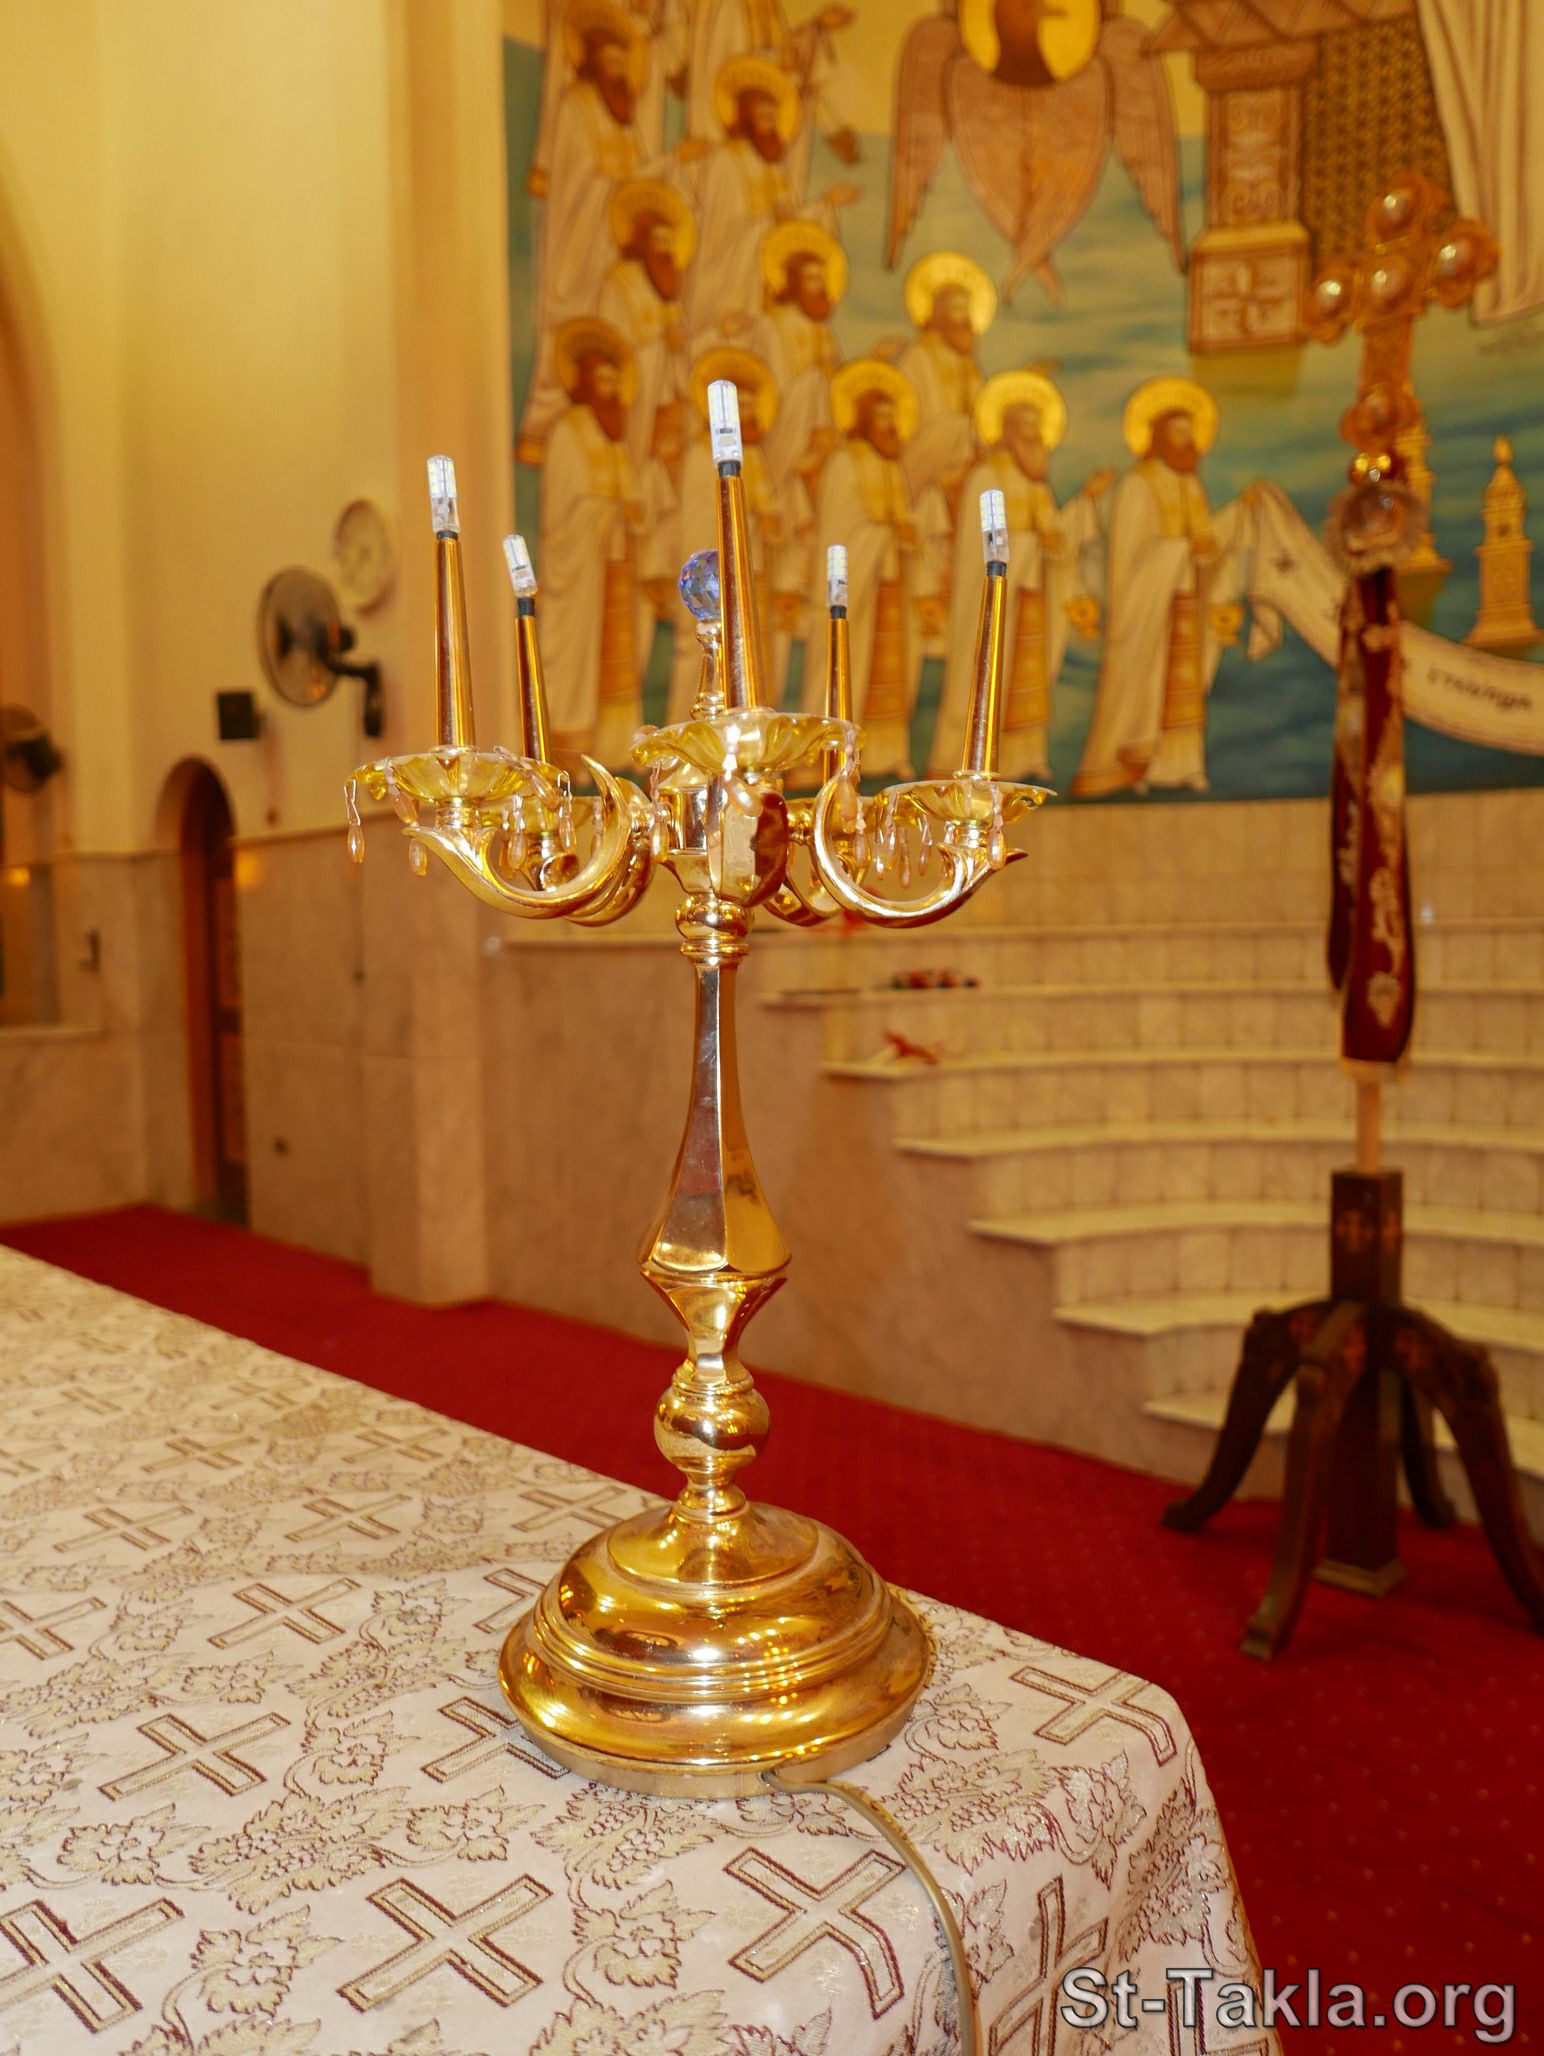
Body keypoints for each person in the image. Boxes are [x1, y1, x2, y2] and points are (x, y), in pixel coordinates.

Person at [518, 0, 702, 464]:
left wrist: (673, 162)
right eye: (612, 60)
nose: (620, 70)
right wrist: (649, 172)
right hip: (580, 242)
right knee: (575, 325)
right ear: (593, 61)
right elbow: (582, 184)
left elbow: (635, 180)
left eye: (625, 61)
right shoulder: (576, 108)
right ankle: (548, 427)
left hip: (609, 245)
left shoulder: (623, 121)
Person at [929, 371, 1111, 781]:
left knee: (1027, 677)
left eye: (1037, 428)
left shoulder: (1035, 484)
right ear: (1007, 432)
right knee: (989, 673)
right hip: (997, 599)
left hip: (1029, 597)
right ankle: (972, 761)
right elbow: (981, 548)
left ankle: (1025, 756)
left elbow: (1056, 538)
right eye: (1026, 427)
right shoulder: (986, 476)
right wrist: (1032, 542)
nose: (1035, 437)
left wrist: (1085, 501)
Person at [1072, 377, 1249, 796]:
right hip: (1151, 609)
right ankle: (1143, 766)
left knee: (1183, 689)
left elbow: (1204, 543)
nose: (1187, 441)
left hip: (1186, 602)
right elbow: (1130, 560)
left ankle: (1183, 765)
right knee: (1154, 689)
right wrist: (1184, 549)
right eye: (1177, 432)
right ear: (1158, 437)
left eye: (1191, 432)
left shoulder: (1191, 484)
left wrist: (1226, 530)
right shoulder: (1137, 484)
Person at [805, 361, 946, 779]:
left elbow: (900, 521)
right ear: (864, 421)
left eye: (892, 417)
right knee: (847, 662)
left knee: (890, 669)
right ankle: (830, 759)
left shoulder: (891, 466)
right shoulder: (844, 463)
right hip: (858, 584)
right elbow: (839, 531)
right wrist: (886, 532)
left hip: (889, 584)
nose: (889, 426)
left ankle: (886, 754)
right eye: (881, 418)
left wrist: (906, 535)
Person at [538, 320, 650, 768]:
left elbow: (633, 495)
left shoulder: (614, 439)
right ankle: (572, 749)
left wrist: (633, 514)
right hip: (582, 570)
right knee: (579, 658)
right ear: (583, 384)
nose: (611, 391)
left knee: (619, 662)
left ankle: (616, 747)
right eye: (602, 381)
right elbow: (563, 515)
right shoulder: (568, 433)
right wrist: (608, 513)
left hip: (616, 568)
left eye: (615, 382)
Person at [688, 56, 858, 351]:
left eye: (773, 117)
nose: (770, 124)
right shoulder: (726, 161)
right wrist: (767, 223)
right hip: (736, 285)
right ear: (746, 117)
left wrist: (824, 204)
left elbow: (790, 228)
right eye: (763, 116)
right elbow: (716, 238)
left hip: (768, 288)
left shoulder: (775, 168)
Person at [665, 348, 784, 718]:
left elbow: (767, 513)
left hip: (751, 573)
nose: (746, 415)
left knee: (751, 653)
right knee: (703, 653)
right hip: (711, 582)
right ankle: (690, 731)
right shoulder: (698, 457)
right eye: (739, 408)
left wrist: (769, 524)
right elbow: (698, 522)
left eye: (750, 407)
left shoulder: (756, 458)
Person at [753, 221, 847, 675]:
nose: (819, 288)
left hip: (815, 460)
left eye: (822, 280)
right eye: (810, 279)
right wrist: (815, 389)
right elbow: (768, 394)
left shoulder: (823, 334)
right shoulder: (771, 326)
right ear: (791, 283)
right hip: (786, 453)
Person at [896, 252, 996, 522]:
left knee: (993, 472)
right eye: (956, 309)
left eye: (966, 309)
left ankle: (992, 543)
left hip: (965, 451)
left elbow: (981, 413)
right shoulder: (918, 356)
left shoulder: (969, 364)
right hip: (924, 457)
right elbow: (921, 422)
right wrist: (963, 431)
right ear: (939, 313)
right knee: (956, 425)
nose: (964, 318)